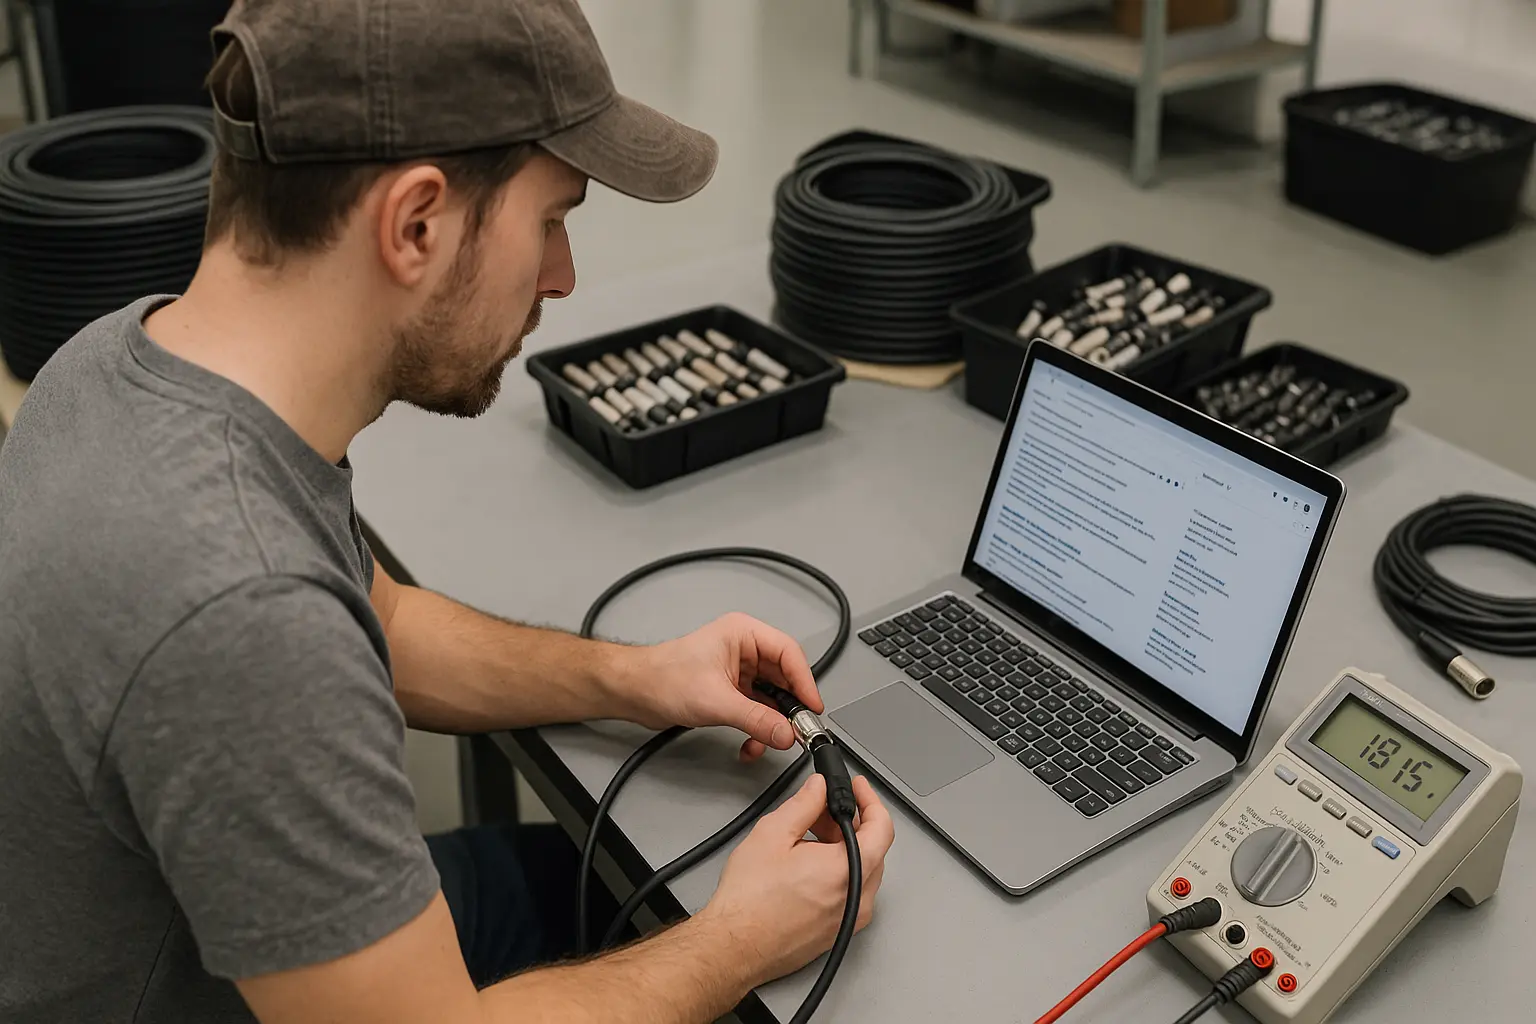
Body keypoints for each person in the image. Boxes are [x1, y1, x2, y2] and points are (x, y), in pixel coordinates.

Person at [0, 1, 896, 1022]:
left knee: (604, 882)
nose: (563, 276)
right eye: (552, 219)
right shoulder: (238, 610)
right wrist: (742, 937)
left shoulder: (118, 362)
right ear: (415, 223)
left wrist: (634, 677)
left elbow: (380, 622)